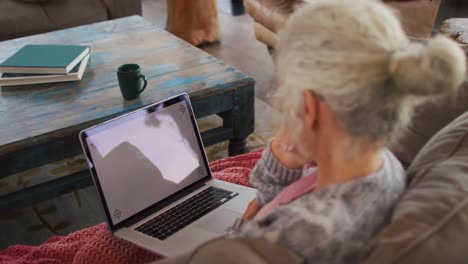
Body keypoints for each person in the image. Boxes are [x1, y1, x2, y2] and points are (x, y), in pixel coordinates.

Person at [236, 0, 466, 263]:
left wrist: (243, 228)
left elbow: (234, 245)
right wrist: (277, 176)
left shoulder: (297, 236)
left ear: (309, 107)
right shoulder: (386, 168)